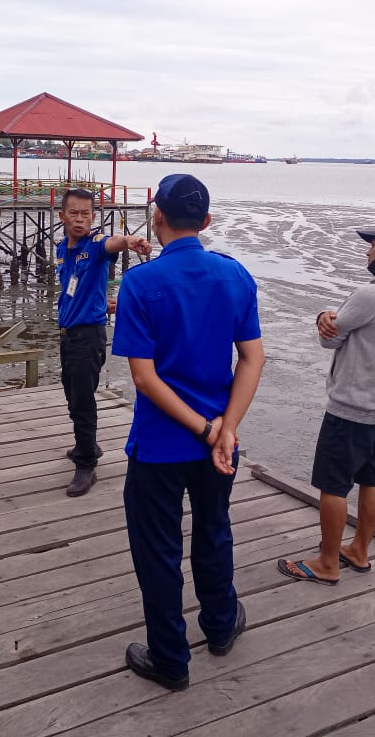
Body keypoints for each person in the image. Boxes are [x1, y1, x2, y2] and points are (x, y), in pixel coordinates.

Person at [112, 174, 265, 691]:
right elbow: (252, 358)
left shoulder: (140, 283)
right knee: (214, 528)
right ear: (206, 222)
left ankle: (171, 658)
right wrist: (226, 429)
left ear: (156, 218)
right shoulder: (235, 275)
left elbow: (144, 378)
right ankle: (221, 626)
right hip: (221, 443)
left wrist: (204, 428)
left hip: (160, 444)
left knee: (157, 549)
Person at [278, 222, 375, 585]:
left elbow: (331, 339)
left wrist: (323, 318)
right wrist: (332, 321)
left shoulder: (373, 294)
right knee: (372, 477)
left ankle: (327, 563)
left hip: (352, 407)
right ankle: (359, 550)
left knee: (333, 485)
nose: (367, 251)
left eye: (372, 245)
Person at [56, 187, 151, 497]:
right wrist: (103, 301)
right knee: (72, 397)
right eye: (74, 213)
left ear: (93, 217)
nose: (80, 219)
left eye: (86, 213)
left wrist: (131, 241)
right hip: (67, 336)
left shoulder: (96, 245)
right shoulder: (61, 249)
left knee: (83, 402)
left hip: (88, 337)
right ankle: (88, 444)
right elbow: (75, 289)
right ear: (62, 216)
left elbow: (114, 243)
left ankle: (86, 466)